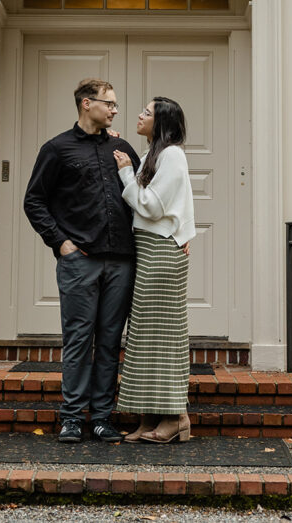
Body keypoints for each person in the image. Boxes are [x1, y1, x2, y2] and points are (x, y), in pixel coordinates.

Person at [23, 78, 140, 444]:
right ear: (87, 104)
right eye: (109, 103)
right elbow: (34, 201)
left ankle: (102, 417)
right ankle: (72, 417)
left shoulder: (122, 148)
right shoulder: (57, 149)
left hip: (121, 261)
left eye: (116, 104)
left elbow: (142, 196)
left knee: (109, 341)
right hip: (80, 261)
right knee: (77, 339)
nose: (115, 109)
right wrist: (61, 243)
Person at [113, 96, 195, 444]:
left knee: (163, 338)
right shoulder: (153, 154)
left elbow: (151, 205)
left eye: (146, 112)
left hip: (162, 251)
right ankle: (148, 416)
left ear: (160, 122)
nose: (139, 115)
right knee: (144, 337)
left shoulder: (172, 155)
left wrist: (124, 173)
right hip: (148, 249)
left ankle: (176, 417)